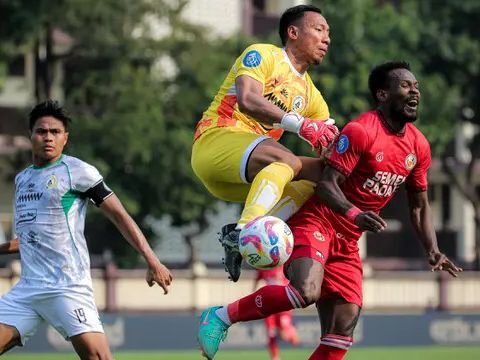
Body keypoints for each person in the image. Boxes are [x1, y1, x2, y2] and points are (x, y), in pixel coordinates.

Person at [196, 61, 463, 360]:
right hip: (318, 221)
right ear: (382, 95)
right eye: (405, 85)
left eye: (416, 86)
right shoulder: (361, 131)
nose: (414, 91)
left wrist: (432, 249)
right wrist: (353, 213)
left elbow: (419, 205)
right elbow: (325, 184)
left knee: (341, 334)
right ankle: (220, 316)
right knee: (304, 291)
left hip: (348, 241)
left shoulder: (419, 147)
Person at [0, 100, 173, 359]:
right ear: (31, 135)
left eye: (55, 132)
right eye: (42, 131)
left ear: (65, 138)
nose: (48, 137)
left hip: (66, 286)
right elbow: (29, 239)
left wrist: (152, 260)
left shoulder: (77, 171)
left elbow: (120, 216)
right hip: (28, 289)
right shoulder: (23, 179)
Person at [191, 4, 339, 282]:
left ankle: (252, 229)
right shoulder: (263, 54)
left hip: (243, 178)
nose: (326, 39)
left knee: (323, 175)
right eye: (319, 30)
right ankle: (244, 232)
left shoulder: (312, 96)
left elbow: (333, 148)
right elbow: (248, 100)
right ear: (293, 32)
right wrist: (301, 125)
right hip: (216, 142)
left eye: (328, 33)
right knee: (288, 160)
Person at [254, 267, 300, 360]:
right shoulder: (263, 267)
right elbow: (257, 279)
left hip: (283, 306)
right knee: (271, 334)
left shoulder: (284, 265)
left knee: (286, 334)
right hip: (269, 306)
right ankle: (275, 357)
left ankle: (291, 332)